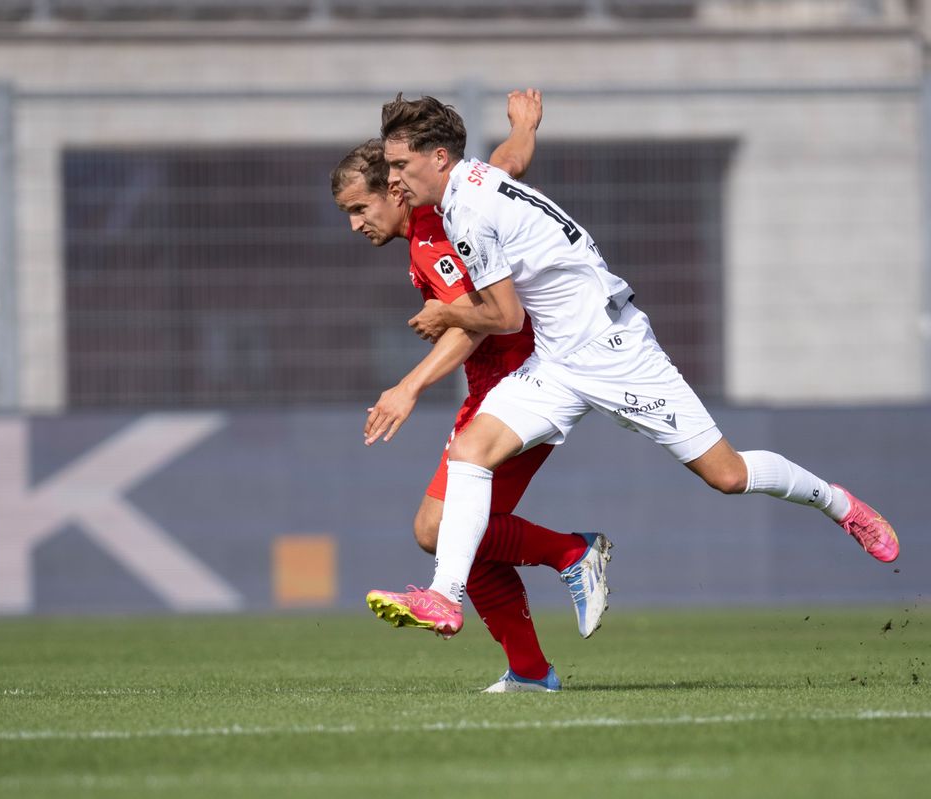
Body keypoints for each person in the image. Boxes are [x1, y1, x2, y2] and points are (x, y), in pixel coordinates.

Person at [368, 92, 900, 640]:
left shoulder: (467, 213)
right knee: (470, 451)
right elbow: (512, 160)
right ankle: (444, 597)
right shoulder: (476, 177)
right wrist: (525, 125)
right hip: (556, 361)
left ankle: (841, 504)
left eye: (400, 165)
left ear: (438, 158)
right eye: (389, 167)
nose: (394, 179)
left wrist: (444, 312)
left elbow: (504, 318)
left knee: (728, 474)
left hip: (615, 351)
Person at [332, 90, 611, 693]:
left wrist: (407, 387)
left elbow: (475, 319)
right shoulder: (455, 198)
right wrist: (524, 127)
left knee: (438, 532)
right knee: (459, 537)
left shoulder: (433, 237)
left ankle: (571, 552)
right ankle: (530, 672)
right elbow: (507, 165)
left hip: (522, 385)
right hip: (499, 384)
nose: (356, 224)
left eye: (360, 207)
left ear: (395, 188)